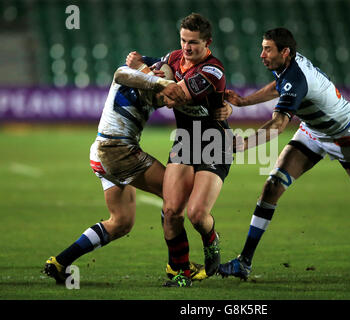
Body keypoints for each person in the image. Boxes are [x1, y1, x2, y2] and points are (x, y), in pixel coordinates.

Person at [218, 27, 350, 280]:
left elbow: (277, 125)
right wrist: (244, 102)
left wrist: (244, 144)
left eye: (267, 49)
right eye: (262, 48)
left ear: (284, 52)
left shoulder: (297, 77)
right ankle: (244, 262)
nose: (261, 54)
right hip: (313, 132)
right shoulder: (286, 66)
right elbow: (279, 86)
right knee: (273, 185)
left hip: (346, 134)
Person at [43, 54, 232, 284]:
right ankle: (178, 267)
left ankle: (60, 262)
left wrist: (223, 108)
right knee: (174, 197)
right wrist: (162, 82)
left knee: (121, 222)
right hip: (119, 152)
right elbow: (138, 80)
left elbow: (175, 93)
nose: (165, 95)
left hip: (100, 153)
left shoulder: (139, 77)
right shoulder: (148, 85)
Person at [127, 13, 233, 287]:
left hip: (213, 142)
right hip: (186, 140)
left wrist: (143, 71)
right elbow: (160, 77)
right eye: (184, 40)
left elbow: (173, 96)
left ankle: (211, 239)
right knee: (172, 210)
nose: (187, 47)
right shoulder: (175, 57)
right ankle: (180, 272)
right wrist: (148, 68)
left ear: (208, 43)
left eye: (193, 43)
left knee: (197, 214)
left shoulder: (213, 70)